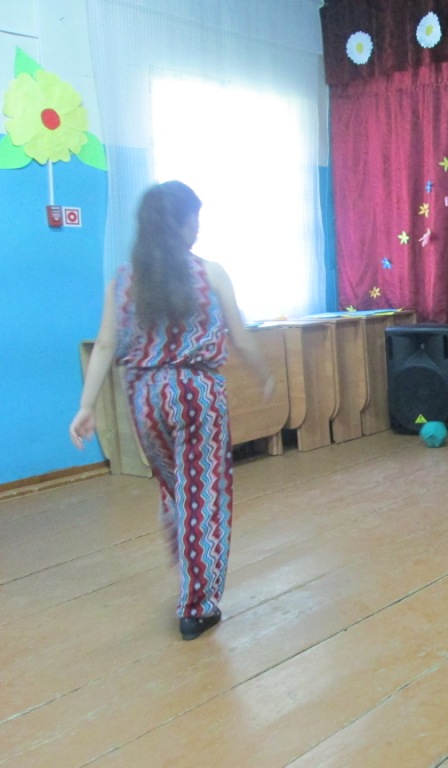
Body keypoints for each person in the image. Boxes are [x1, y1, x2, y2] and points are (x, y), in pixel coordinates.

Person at [69, 181, 274, 641]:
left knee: (177, 489)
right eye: (194, 218)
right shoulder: (211, 273)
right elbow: (241, 337)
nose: (197, 226)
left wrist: (86, 406)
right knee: (204, 494)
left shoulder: (123, 281)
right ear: (182, 223)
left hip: (145, 398)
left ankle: (189, 562)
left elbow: (106, 344)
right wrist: (264, 375)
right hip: (197, 392)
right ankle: (197, 607)